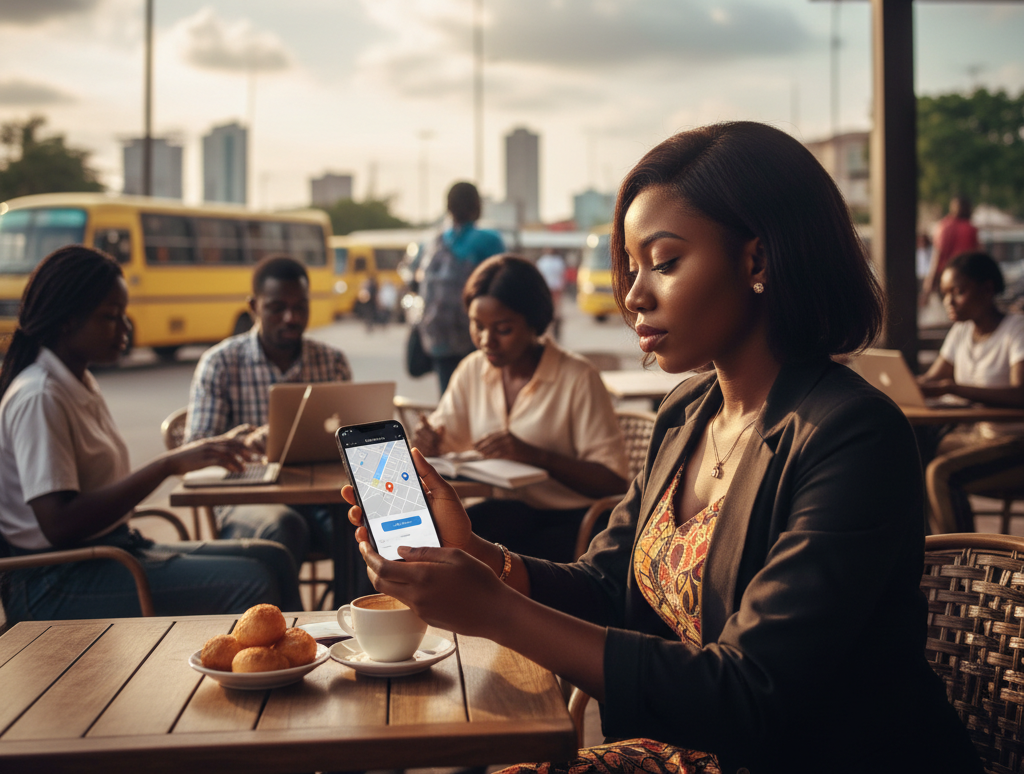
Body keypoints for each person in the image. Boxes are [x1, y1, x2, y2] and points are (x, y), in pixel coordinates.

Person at [343, 122, 981, 774]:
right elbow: (608, 586)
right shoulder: (686, 413)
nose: (633, 294)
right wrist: (482, 557)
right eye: (632, 266)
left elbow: (753, 690)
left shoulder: (852, 435)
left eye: (665, 262)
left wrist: (496, 611)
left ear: (758, 261)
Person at [0, 246, 301, 622]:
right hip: (54, 581)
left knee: (273, 557)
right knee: (252, 581)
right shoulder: (40, 395)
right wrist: (167, 465)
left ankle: (301, 651)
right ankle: (259, 659)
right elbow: (59, 526)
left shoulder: (78, 382)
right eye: (111, 316)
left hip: (110, 552)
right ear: (67, 321)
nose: (125, 327)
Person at [414, 254, 627, 562]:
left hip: (569, 522)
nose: (486, 341)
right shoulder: (472, 370)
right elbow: (445, 436)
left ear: (533, 323)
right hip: (505, 515)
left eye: (503, 329)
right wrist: (428, 443)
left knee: (457, 549)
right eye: (477, 326)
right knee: (424, 538)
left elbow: (614, 481)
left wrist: (537, 456)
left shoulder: (578, 378)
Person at [185, 254, 352, 567]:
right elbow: (195, 449)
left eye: (300, 307)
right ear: (254, 306)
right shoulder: (220, 363)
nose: (291, 317)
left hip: (322, 497)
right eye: (277, 308)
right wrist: (245, 444)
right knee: (283, 526)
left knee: (361, 523)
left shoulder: (332, 361)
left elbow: (349, 439)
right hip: (246, 500)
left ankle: (356, 601)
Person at [918, 251, 1024, 533]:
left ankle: (959, 553)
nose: (949, 301)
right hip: (981, 436)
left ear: (987, 289)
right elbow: (931, 381)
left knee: (942, 474)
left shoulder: (1016, 330)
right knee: (911, 453)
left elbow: (1020, 394)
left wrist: (953, 388)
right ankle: (925, 544)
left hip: (1016, 443)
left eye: (958, 292)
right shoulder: (961, 332)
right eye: (945, 294)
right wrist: (899, 382)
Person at [415, 182, 505, 393]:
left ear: (448, 208)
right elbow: (505, 285)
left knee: (448, 396)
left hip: (439, 338)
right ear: (477, 206)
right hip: (476, 338)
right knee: (481, 398)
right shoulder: (489, 241)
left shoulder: (433, 243)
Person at [923, 195, 979, 300]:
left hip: (945, 278)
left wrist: (930, 283)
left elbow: (937, 256)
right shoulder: (971, 229)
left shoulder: (943, 226)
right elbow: (977, 256)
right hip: (966, 278)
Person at [535, 248, 567, 340]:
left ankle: (549, 332)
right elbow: (562, 275)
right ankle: (555, 331)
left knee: (547, 310)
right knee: (556, 310)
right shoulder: (558, 262)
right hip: (555, 287)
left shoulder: (542, 261)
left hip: (547, 288)